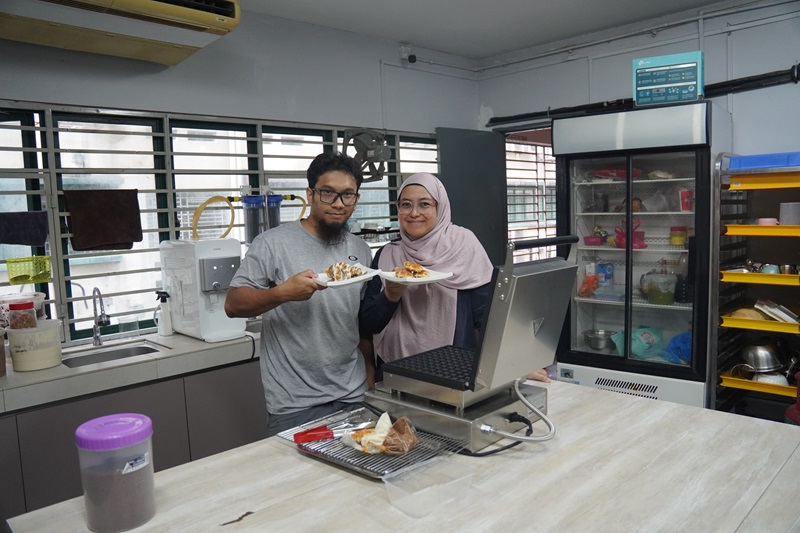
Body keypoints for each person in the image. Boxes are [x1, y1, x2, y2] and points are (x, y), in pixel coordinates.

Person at [225, 152, 374, 437]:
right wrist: (282, 293)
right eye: (328, 193)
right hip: (294, 402)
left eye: (348, 195)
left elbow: (359, 319)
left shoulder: (361, 249)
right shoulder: (272, 243)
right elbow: (233, 304)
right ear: (310, 194)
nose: (338, 204)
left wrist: (368, 369)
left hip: (352, 394)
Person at [359, 172, 552, 385]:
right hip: (395, 369)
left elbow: (487, 317)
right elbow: (369, 323)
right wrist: (390, 296)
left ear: (439, 207)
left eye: (424, 204)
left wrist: (513, 362)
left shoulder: (463, 245)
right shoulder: (387, 254)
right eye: (406, 205)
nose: (414, 213)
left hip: (454, 369)